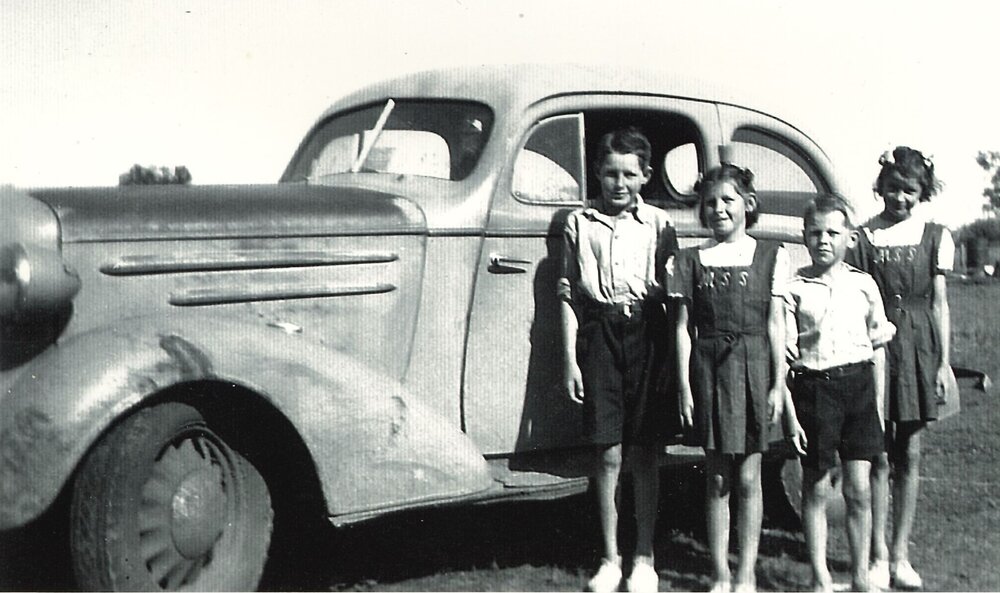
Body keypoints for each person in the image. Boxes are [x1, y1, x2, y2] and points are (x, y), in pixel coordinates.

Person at [559, 127, 677, 593]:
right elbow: (567, 295)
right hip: (600, 334)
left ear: (646, 176)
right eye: (610, 173)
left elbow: (674, 295)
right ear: (597, 174)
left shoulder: (659, 224)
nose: (619, 183)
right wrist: (570, 359)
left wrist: (669, 360)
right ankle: (609, 559)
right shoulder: (579, 223)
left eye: (630, 173)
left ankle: (644, 557)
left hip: (647, 333)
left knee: (645, 451)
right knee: (607, 452)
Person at [667, 164, 789, 593]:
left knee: (750, 477)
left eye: (728, 200)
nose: (718, 209)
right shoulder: (689, 260)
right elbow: (681, 328)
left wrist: (778, 383)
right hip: (710, 371)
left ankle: (746, 573)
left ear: (748, 205)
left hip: (755, 369)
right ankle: (720, 572)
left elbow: (777, 325)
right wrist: (684, 385)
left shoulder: (772, 256)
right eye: (710, 202)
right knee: (718, 476)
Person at [849, 146, 953, 590]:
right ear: (881, 188)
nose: (900, 199)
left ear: (922, 191)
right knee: (877, 452)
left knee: (909, 451)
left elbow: (940, 303)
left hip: (918, 348)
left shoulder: (935, 235)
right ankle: (875, 554)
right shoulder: (864, 236)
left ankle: (900, 554)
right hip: (875, 347)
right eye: (892, 189)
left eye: (909, 191)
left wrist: (944, 364)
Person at [784, 194, 895, 592]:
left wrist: (877, 405)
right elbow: (785, 356)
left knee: (859, 489)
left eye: (833, 232)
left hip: (860, 390)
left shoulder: (864, 285)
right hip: (816, 390)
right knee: (815, 486)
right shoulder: (794, 288)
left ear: (850, 237)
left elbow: (878, 348)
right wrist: (790, 414)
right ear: (804, 237)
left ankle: (862, 576)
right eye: (815, 232)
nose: (824, 240)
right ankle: (820, 578)